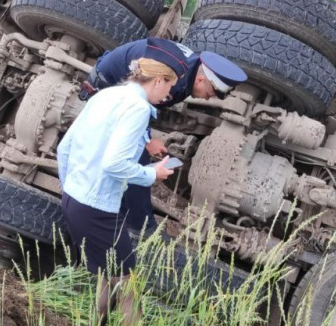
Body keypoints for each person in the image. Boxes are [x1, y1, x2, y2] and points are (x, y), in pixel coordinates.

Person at [57, 57, 179, 326]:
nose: (168, 95)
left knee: (111, 278)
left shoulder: (107, 94)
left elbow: (65, 148)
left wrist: (71, 190)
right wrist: (152, 174)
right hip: (98, 208)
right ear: (158, 81)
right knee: (127, 285)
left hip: (75, 199)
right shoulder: (138, 109)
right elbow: (113, 164)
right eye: (168, 87)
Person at [79, 37, 248, 233]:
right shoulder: (176, 81)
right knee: (134, 161)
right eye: (211, 92)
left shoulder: (189, 70)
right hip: (106, 88)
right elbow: (133, 106)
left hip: (124, 87)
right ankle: (140, 228)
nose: (210, 98)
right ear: (201, 79)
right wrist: (147, 141)